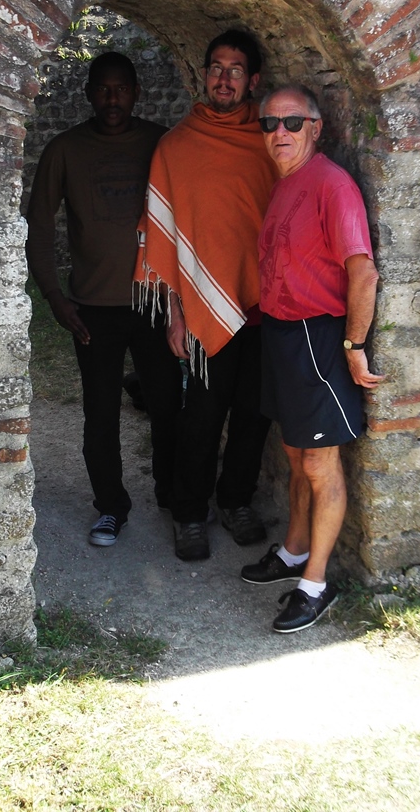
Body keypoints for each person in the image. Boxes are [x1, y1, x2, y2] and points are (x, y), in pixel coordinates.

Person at [26, 52, 183, 546]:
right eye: (102, 89)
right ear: (88, 93)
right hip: (92, 308)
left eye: (121, 89)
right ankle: (111, 507)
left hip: (155, 303)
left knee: (167, 404)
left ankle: (173, 495)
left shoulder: (163, 143)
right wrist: (55, 297)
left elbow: (190, 217)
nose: (112, 99)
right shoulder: (65, 150)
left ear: (136, 92)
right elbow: (38, 225)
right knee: (100, 414)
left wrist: (183, 296)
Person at [241, 85, 383, 632]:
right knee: (296, 453)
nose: (280, 132)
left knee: (321, 463)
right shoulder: (286, 183)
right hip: (282, 334)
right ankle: (295, 550)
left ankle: (316, 584)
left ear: (315, 128)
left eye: (292, 122)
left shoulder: (331, 184)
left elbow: (362, 273)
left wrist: (353, 346)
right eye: (270, 124)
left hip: (319, 337)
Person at [135, 30, 277, 560]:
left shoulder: (270, 143)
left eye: (235, 70)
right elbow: (164, 239)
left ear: (253, 80)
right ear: (204, 74)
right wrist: (174, 313)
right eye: (216, 67)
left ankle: (236, 499)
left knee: (254, 414)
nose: (224, 79)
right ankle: (190, 512)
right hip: (201, 309)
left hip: (266, 306)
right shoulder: (176, 147)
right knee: (202, 415)